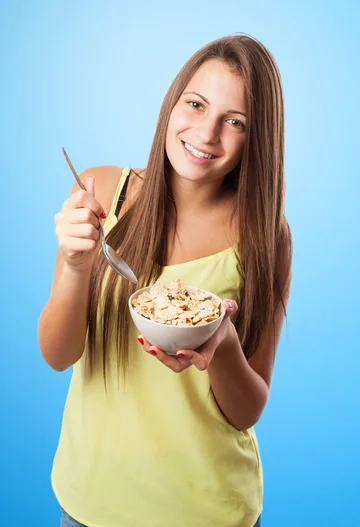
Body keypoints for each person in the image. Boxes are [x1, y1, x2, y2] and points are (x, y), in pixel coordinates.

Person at [38, 33, 292, 527]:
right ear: (172, 103)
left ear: (256, 138)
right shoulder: (103, 191)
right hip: (93, 499)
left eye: (234, 121)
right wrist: (74, 265)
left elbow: (247, 409)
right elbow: (57, 355)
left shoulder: (265, 236)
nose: (206, 133)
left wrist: (223, 346)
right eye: (196, 104)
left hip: (208, 507)